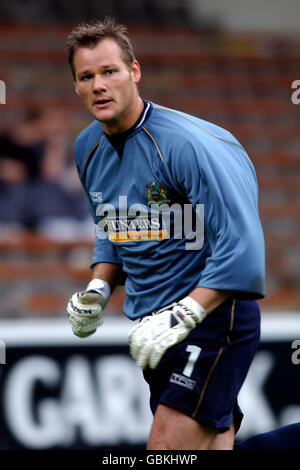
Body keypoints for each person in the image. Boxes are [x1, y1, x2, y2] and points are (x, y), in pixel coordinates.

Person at [65, 17, 265, 450]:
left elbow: (243, 249)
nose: (98, 84)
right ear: (76, 86)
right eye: (86, 76)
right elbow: (113, 228)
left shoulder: (187, 144)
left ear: (134, 72)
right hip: (154, 331)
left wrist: (184, 315)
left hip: (212, 319)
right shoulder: (87, 148)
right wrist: (98, 289)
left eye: (109, 71)